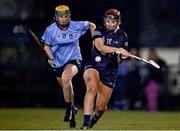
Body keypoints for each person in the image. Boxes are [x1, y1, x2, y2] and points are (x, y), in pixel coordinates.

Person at [41, 5, 96, 128]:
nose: (64, 19)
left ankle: (68, 110)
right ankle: (72, 110)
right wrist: (50, 58)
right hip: (57, 62)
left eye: (66, 16)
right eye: (61, 16)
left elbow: (92, 25)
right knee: (67, 88)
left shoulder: (76, 26)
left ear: (69, 16)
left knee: (66, 79)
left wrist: (95, 40)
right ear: (56, 17)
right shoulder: (50, 30)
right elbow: (47, 46)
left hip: (74, 59)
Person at [81, 8, 130, 129]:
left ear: (118, 22)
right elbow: (100, 46)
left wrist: (123, 56)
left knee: (100, 108)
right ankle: (86, 123)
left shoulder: (123, 36)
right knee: (91, 87)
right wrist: (117, 49)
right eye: (108, 21)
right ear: (105, 21)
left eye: (113, 22)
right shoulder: (98, 30)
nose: (110, 24)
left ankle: (93, 120)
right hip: (93, 66)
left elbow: (119, 60)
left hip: (110, 71)